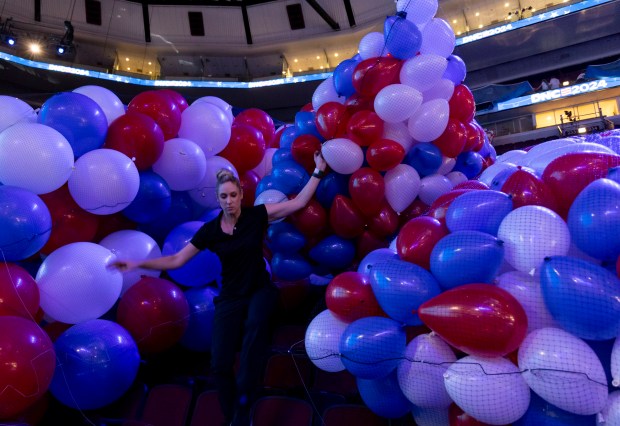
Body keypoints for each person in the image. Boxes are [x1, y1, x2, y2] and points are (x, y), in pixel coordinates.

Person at [111, 151, 327, 426]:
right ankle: (236, 417)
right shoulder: (210, 230)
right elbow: (176, 260)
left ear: (240, 196)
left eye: (233, 195)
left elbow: (298, 203)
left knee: (254, 331)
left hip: (260, 291)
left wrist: (318, 171)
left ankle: (245, 406)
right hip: (231, 297)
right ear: (219, 199)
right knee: (219, 365)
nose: (229, 201)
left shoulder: (256, 216)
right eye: (223, 197)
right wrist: (136, 263)